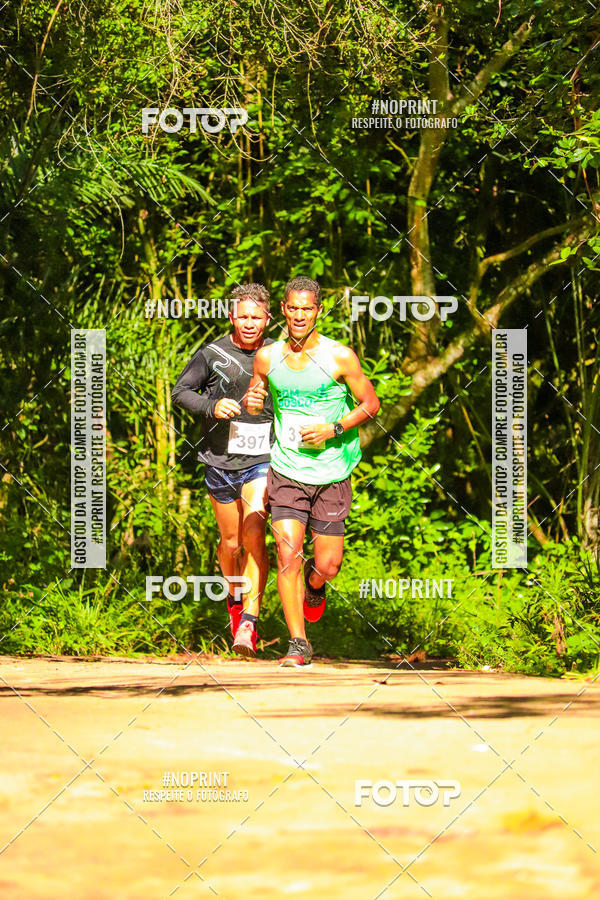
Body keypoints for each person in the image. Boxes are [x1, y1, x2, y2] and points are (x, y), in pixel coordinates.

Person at [245, 276, 380, 667]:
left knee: (327, 564)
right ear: (283, 311)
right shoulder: (268, 357)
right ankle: (298, 644)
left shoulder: (340, 357)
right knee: (287, 554)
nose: (300, 315)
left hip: (332, 470)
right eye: (293, 308)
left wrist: (332, 429)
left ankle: (315, 586)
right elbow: (256, 402)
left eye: (307, 308)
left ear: (318, 311)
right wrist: (253, 402)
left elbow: (371, 404)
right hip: (287, 468)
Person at [172, 283, 273, 657]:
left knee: (254, 536)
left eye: (256, 317)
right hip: (219, 460)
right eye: (242, 316)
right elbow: (181, 392)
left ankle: (249, 621)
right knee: (231, 544)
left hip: (262, 460)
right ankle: (234, 595)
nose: (249, 323)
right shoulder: (212, 353)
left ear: (267, 318)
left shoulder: (278, 355)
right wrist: (213, 407)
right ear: (232, 316)